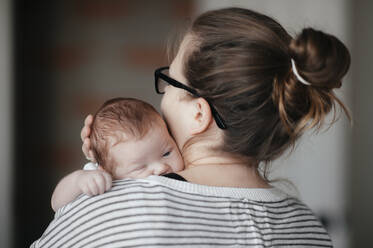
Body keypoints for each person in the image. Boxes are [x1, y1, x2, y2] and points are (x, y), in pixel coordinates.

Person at [31, 7, 350, 247]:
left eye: (169, 80)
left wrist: (96, 188)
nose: (163, 96)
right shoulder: (308, 228)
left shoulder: (115, 210)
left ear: (199, 114)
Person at [51, 97, 184, 211]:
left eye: (166, 153)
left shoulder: (188, 168)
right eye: (140, 167)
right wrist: (78, 180)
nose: (161, 168)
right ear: (107, 171)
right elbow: (56, 203)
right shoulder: (98, 175)